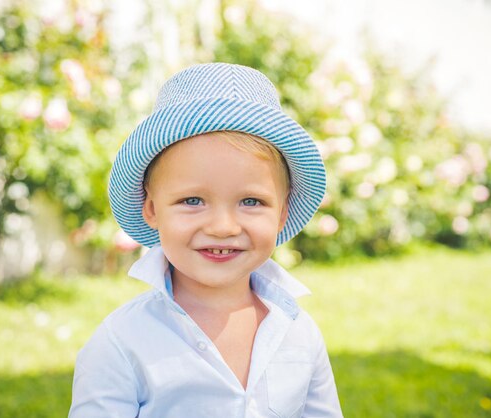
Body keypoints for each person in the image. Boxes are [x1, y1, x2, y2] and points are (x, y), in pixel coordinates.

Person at [69, 62, 344, 418]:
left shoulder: (298, 332)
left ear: (281, 212)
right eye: (192, 201)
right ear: (151, 209)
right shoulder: (122, 342)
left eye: (251, 201)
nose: (223, 227)